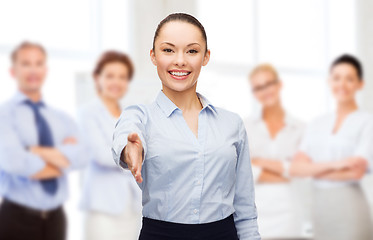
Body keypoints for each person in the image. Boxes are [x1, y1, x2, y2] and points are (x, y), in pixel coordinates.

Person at [111, 13, 260, 240]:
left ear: (205, 56)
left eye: (192, 51)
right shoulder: (140, 116)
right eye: (168, 50)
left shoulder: (232, 124)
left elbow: (245, 208)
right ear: (153, 56)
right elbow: (126, 136)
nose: (180, 60)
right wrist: (130, 149)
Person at [0, 41, 85, 240]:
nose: (33, 70)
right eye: (26, 63)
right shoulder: (4, 115)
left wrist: (33, 150)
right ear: (13, 71)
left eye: (38, 63)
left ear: (45, 70)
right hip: (17, 219)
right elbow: (15, 162)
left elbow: (81, 157)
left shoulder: (60, 118)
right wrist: (63, 160)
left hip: (56, 219)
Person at [290, 54, 373, 240]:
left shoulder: (367, 122)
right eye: (336, 78)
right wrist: (338, 165)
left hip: (350, 208)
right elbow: (295, 168)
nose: (342, 84)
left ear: (360, 84)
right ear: (329, 81)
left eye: (349, 79)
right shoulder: (316, 123)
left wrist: (310, 169)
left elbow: (356, 171)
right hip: (319, 209)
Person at [79, 51, 142, 240]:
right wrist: (134, 156)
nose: (117, 82)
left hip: (132, 206)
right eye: (110, 76)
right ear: (98, 78)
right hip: (103, 208)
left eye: (122, 77)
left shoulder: (130, 114)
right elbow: (100, 155)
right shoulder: (88, 113)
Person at [245, 64, 308, 239]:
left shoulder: (301, 128)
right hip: (256, 214)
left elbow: (303, 171)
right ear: (254, 93)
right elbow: (242, 171)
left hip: (290, 214)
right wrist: (286, 170)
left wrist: (260, 163)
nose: (265, 91)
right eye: (258, 88)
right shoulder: (245, 127)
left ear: (279, 85)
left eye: (269, 84)